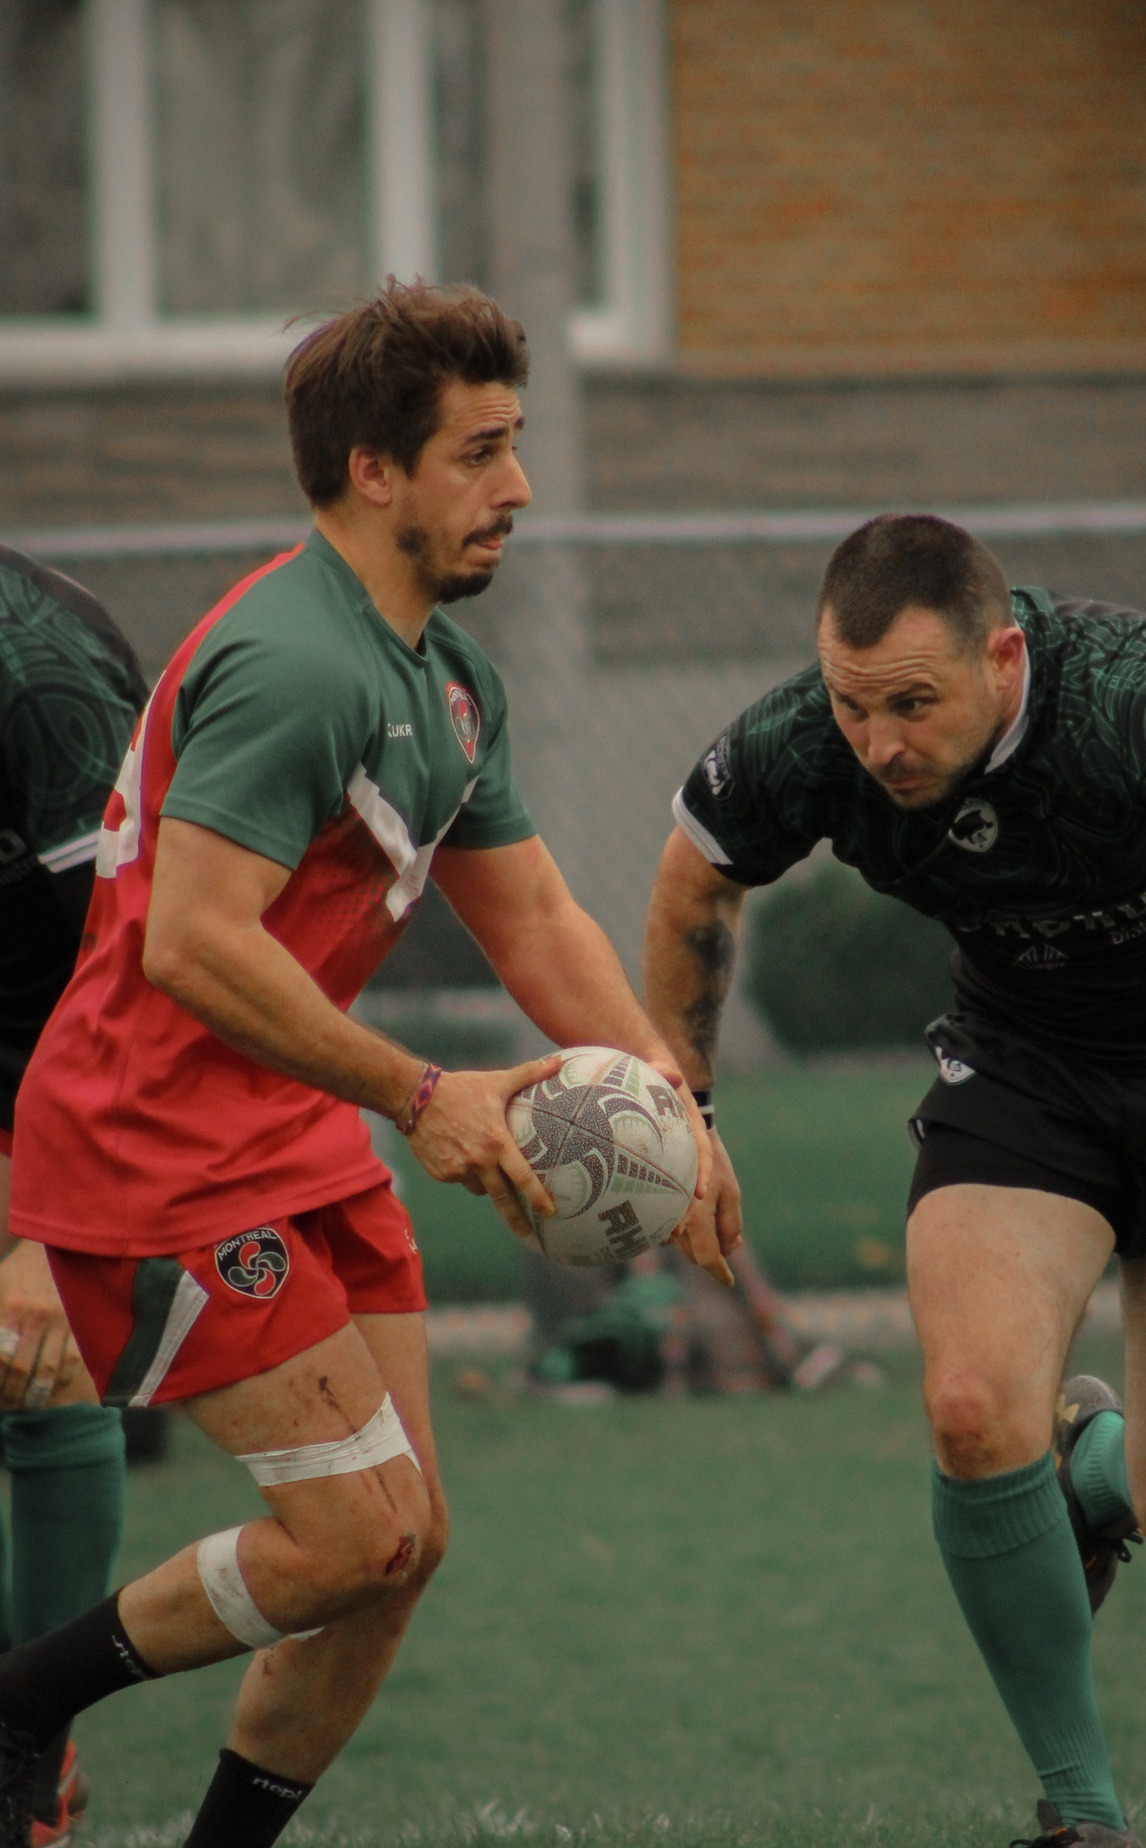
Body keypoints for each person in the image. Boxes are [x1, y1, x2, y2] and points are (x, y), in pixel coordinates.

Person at [0, 282, 719, 1848]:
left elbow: (532, 917)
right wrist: (421, 1092)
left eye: (515, 446)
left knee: (407, 1551)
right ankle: (22, 1698)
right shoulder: (293, 661)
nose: (518, 488)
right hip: (151, 1155)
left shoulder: (447, 680)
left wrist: (676, 1097)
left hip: (288, 1135)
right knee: (343, 1540)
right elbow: (192, 942)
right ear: (373, 471)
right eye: (482, 452)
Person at [644, 514, 1146, 1848]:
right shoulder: (815, 737)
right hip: (1031, 1070)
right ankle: (1082, 1816)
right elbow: (697, 877)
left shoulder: (1138, 703)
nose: (882, 744)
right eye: (857, 707)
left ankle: (1089, 1473)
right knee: (971, 1406)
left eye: (915, 703)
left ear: (1006, 657)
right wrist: (686, 1109)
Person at [0, 544, 148, 1845]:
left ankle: (28, 1742)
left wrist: (49, 1224)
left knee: (34, 1373)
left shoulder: (40, 665)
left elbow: (121, 963)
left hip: (32, 1074)